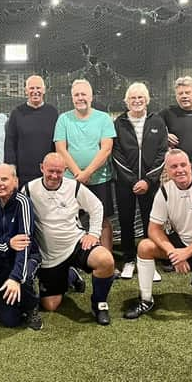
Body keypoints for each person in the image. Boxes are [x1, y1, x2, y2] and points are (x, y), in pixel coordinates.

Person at [124, 149, 192, 320]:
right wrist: (173, 252)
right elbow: (153, 229)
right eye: (174, 166)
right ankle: (145, 300)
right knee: (145, 247)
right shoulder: (164, 191)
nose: (179, 170)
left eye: (183, 165)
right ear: (167, 171)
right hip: (182, 243)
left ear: (190, 166)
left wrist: (186, 253)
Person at [21, 153, 115, 326]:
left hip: (75, 244)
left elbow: (96, 207)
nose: (54, 176)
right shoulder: (29, 189)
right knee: (50, 305)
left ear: (65, 171)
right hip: (50, 256)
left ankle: (99, 304)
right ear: (42, 168)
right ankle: (71, 275)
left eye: (59, 172)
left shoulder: (74, 186)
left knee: (106, 260)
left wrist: (93, 233)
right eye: (50, 171)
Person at [54, 79, 116, 254]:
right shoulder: (63, 119)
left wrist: (87, 172)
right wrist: (77, 174)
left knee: (102, 219)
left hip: (100, 179)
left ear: (91, 97)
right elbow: (60, 149)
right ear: (72, 98)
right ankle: (73, 258)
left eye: (83, 94)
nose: (80, 98)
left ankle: (106, 257)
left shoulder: (104, 118)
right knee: (70, 220)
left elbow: (106, 149)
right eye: (76, 95)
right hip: (70, 181)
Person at [113, 82, 168, 279]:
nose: (137, 101)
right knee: (126, 221)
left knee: (151, 222)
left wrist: (147, 180)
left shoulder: (158, 122)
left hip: (150, 185)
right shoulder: (119, 123)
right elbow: (116, 154)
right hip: (124, 185)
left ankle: (148, 261)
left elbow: (163, 153)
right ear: (126, 101)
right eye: (133, 98)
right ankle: (129, 260)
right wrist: (132, 181)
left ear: (147, 100)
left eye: (140, 98)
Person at [0, 164, 42, 329]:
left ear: (15, 181)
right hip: (2, 260)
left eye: (5, 179)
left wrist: (16, 277)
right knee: (9, 321)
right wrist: (8, 244)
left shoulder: (23, 202)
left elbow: (24, 245)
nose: (0, 184)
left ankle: (31, 308)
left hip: (28, 256)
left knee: (24, 277)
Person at [4, 75, 58, 186]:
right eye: (31, 88)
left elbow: (57, 143)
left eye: (38, 88)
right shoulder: (16, 113)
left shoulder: (52, 112)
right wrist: (11, 171)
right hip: (23, 175)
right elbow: (10, 143)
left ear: (44, 90)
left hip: (48, 174)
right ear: (26, 91)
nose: (35, 91)